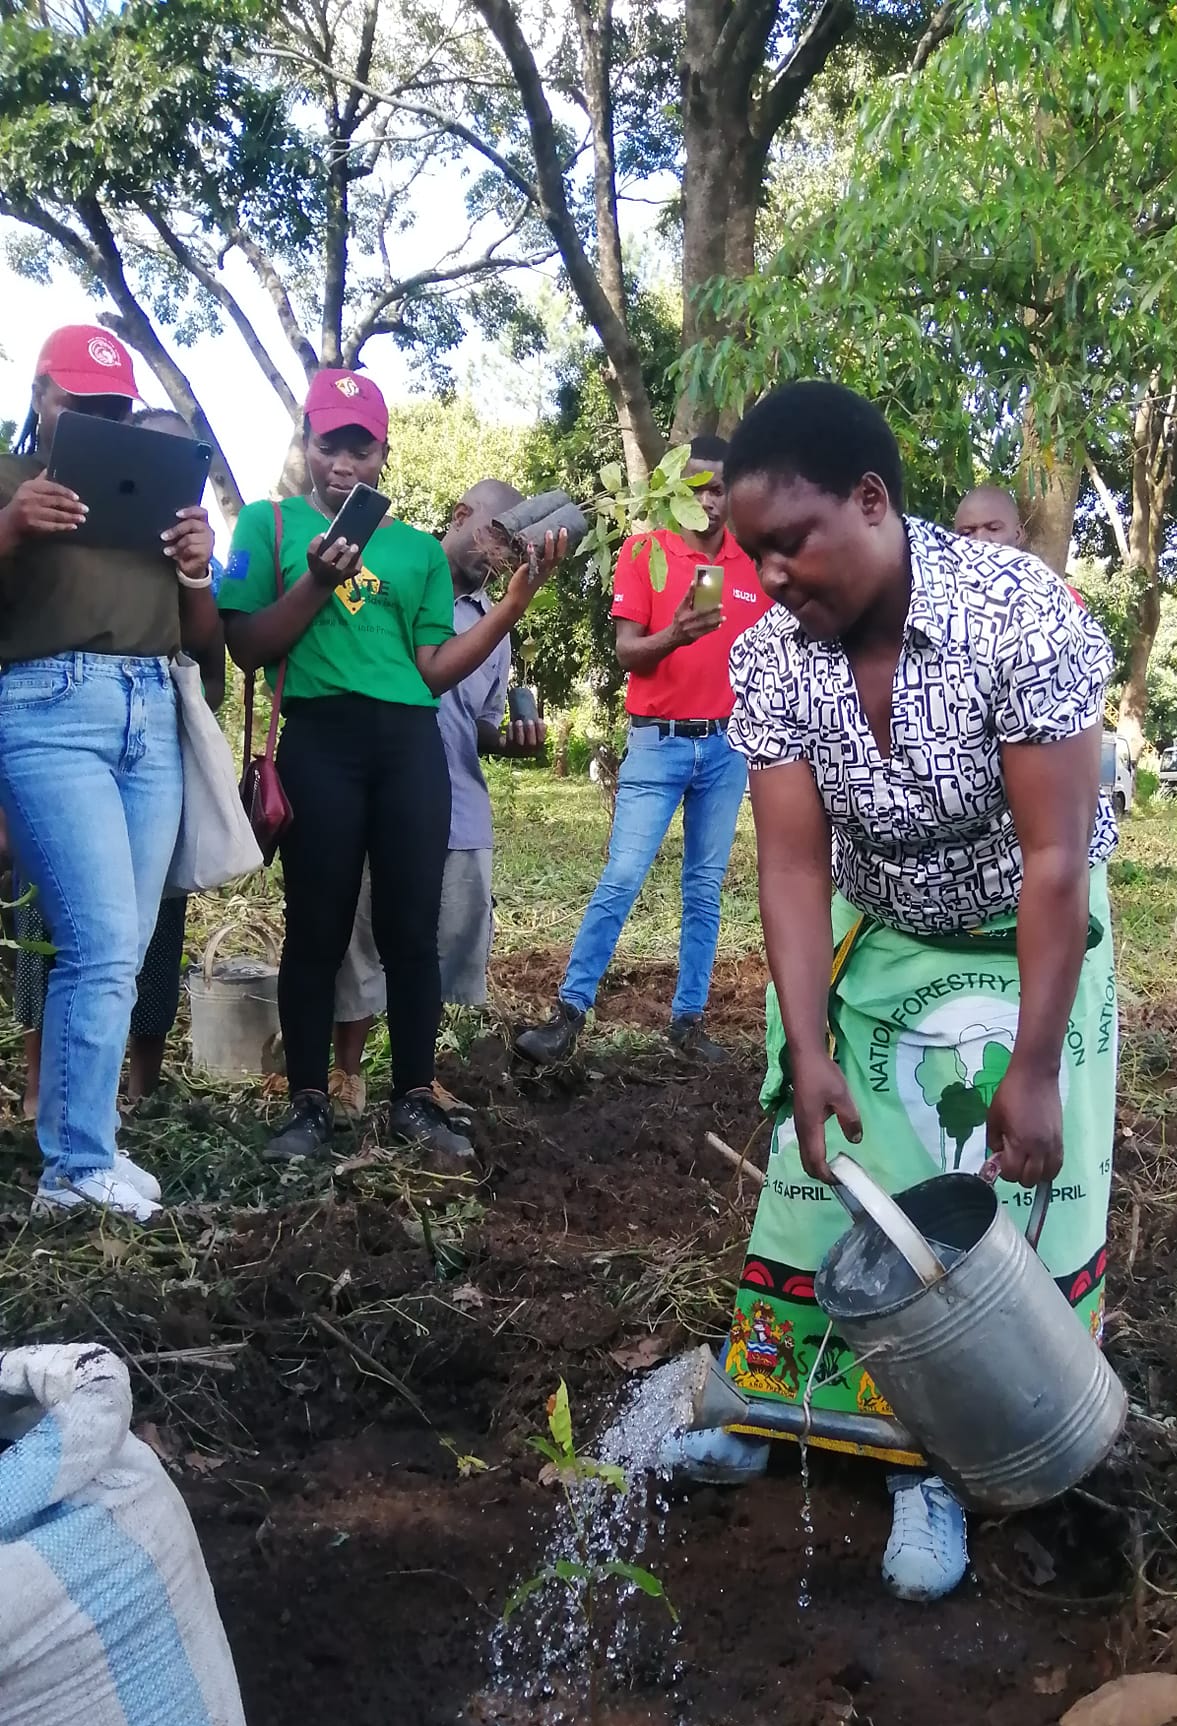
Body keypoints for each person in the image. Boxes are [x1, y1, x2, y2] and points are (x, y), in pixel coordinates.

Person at [664, 382, 1119, 1604]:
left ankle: (944, 1458)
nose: (770, 575)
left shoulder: (1016, 616)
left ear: (872, 500)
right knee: (829, 1167)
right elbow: (792, 864)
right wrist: (806, 1042)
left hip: (1024, 932)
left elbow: (1054, 859)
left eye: (791, 542)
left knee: (986, 1195)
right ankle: (779, 1400)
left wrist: (1032, 1065)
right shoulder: (772, 656)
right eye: (752, 553)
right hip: (876, 928)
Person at [219, 369, 560, 1164]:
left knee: (412, 932)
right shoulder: (270, 525)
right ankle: (310, 1104)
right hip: (320, 741)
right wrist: (317, 580)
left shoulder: (413, 551)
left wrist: (513, 605)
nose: (343, 461)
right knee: (318, 928)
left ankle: (413, 1096)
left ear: (383, 454)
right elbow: (247, 647)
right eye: (328, 443)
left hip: (409, 747)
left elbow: (434, 671)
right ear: (307, 444)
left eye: (361, 447)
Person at [0, 326, 218, 1220]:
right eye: (78, 403)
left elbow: (203, 640)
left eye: (113, 409)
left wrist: (197, 570)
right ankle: (74, 1167)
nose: (97, 420)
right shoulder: (10, 483)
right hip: (47, 710)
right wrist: (12, 527)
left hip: (151, 714)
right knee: (96, 939)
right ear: (40, 398)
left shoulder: (154, 500)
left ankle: (86, 1142)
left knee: (121, 946)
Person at [515, 436, 767, 1066]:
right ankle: (569, 1013)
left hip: (726, 747)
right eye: (697, 488)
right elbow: (628, 652)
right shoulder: (645, 551)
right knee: (623, 875)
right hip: (657, 743)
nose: (709, 501)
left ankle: (688, 1022)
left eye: (720, 489)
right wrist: (674, 634)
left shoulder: (752, 567)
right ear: (675, 490)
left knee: (705, 887)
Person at [330, 477, 544, 1118]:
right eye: (496, 533)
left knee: (438, 944)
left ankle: (416, 1076)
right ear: (459, 513)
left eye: (512, 545)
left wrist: (511, 740)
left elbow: (479, 724)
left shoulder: (495, 621)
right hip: (378, 793)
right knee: (361, 939)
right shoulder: (388, 581)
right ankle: (345, 1075)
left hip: (456, 802)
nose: (501, 554)